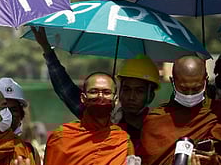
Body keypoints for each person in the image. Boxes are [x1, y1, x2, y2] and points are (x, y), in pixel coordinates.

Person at [31, 27, 160, 146]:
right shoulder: (102, 118)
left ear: (151, 96)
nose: (131, 97)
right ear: (118, 94)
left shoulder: (159, 128)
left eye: (139, 91)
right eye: (126, 89)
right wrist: (47, 50)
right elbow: (65, 90)